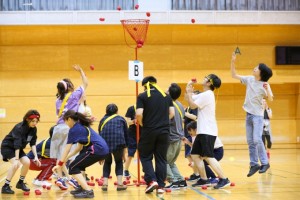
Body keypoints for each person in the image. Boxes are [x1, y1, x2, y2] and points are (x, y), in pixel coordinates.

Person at [231, 52, 273, 177]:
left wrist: (267, 89)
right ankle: (254, 164)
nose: (254, 68)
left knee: (256, 139)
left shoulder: (265, 85)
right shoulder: (249, 79)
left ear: (261, 73)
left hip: (258, 117)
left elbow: (270, 99)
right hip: (248, 115)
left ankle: (265, 162)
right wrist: (233, 61)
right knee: (250, 141)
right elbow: (234, 75)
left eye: (257, 68)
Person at [185, 74, 230, 189]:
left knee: (208, 156)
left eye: (206, 77)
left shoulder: (208, 94)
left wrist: (190, 93)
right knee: (195, 155)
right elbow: (188, 99)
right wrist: (189, 89)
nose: (203, 78)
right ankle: (204, 179)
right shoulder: (205, 94)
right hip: (203, 130)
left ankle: (224, 178)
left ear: (209, 83)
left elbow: (192, 105)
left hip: (207, 130)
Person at [52, 110, 109, 198]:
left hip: (97, 149)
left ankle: (88, 191)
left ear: (69, 119)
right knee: (78, 166)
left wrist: (59, 164)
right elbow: (79, 148)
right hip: (101, 149)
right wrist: (67, 158)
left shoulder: (74, 129)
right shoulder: (81, 126)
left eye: (65, 121)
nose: (66, 124)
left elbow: (67, 148)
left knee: (73, 167)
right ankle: (82, 187)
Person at [51, 64, 88, 190]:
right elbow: (85, 83)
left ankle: (62, 178)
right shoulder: (74, 95)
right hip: (68, 127)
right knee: (67, 156)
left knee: (60, 156)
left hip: (57, 128)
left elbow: (58, 115)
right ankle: (72, 178)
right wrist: (81, 71)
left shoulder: (57, 100)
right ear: (69, 87)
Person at [136, 76, 175, 194]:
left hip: (149, 130)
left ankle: (152, 181)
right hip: (164, 132)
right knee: (161, 159)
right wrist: (162, 122)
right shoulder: (166, 96)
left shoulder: (142, 96)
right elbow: (172, 113)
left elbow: (139, 114)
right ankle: (161, 186)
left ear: (144, 86)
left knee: (145, 155)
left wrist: (143, 124)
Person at [1, 110, 42, 194]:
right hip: (8, 147)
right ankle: (5, 186)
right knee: (16, 165)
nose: (35, 123)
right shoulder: (19, 128)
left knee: (27, 162)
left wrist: (36, 157)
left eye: (36, 121)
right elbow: (17, 144)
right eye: (33, 121)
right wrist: (16, 159)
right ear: (27, 119)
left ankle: (20, 182)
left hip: (18, 148)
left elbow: (33, 143)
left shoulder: (33, 129)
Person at [98, 104, 128, 191]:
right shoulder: (121, 119)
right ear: (116, 111)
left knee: (107, 162)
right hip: (118, 143)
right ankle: (119, 184)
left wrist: (100, 152)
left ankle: (105, 184)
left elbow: (100, 135)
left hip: (105, 144)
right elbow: (126, 135)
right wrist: (124, 151)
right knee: (118, 162)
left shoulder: (103, 120)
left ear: (106, 111)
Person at [165, 83, 187, 190]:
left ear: (169, 93)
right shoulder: (180, 105)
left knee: (164, 161)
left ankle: (172, 180)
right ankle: (180, 180)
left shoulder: (168, 105)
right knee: (171, 162)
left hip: (171, 138)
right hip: (178, 138)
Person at [183, 91, 199, 181]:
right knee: (188, 155)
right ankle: (196, 173)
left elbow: (195, 117)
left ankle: (198, 173)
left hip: (192, 134)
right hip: (186, 133)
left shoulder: (194, 106)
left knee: (192, 154)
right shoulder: (188, 108)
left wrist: (184, 112)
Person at [123, 105, 140, 178]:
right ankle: (126, 170)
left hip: (143, 133)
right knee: (130, 153)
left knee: (144, 154)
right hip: (132, 134)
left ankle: (147, 171)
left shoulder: (146, 108)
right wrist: (134, 121)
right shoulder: (131, 108)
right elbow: (129, 122)